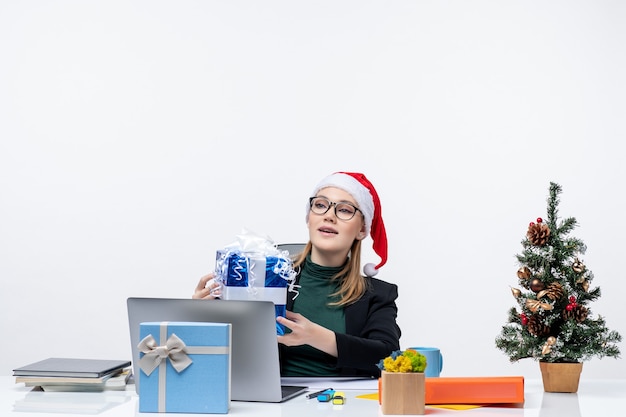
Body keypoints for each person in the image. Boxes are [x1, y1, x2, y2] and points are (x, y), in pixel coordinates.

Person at [193, 172, 401, 377]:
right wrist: (200, 317)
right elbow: (226, 349)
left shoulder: (378, 294)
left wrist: (316, 336)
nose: (329, 215)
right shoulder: (266, 277)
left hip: (343, 403)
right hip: (270, 403)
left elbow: (389, 357)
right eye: (320, 205)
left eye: (345, 210)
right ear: (308, 218)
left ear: (362, 230)